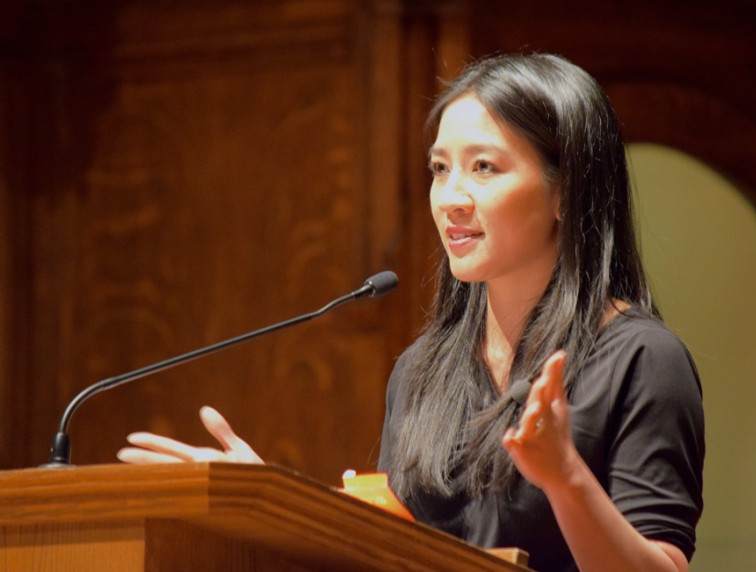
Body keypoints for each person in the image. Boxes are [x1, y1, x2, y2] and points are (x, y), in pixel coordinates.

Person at [118, 53, 705, 572]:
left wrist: (565, 476)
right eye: (440, 168)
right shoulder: (421, 372)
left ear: (565, 190)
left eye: (484, 167)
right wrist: (277, 507)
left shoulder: (642, 360)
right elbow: (394, 553)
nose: (451, 197)